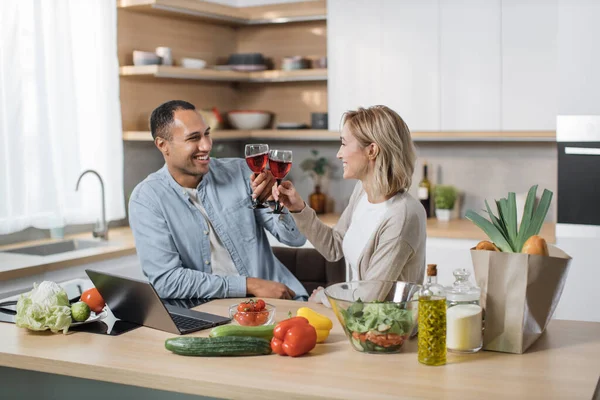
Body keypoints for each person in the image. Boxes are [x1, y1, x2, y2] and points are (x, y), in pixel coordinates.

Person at [129, 100, 308, 300]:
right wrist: (250, 285)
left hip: (277, 301)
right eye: (193, 138)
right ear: (163, 145)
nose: (206, 145)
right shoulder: (147, 200)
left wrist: (280, 205)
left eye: (207, 133)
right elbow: (167, 281)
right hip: (211, 314)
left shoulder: (241, 173)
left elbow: (296, 239)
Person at [272, 105, 426, 304]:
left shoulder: (402, 215)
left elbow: (368, 297)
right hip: (358, 322)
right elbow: (334, 247)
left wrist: (325, 297)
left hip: (389, 330)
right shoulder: (362, 191)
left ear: (372, 150)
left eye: (344, 144)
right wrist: (298, 208)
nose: (339, 154)